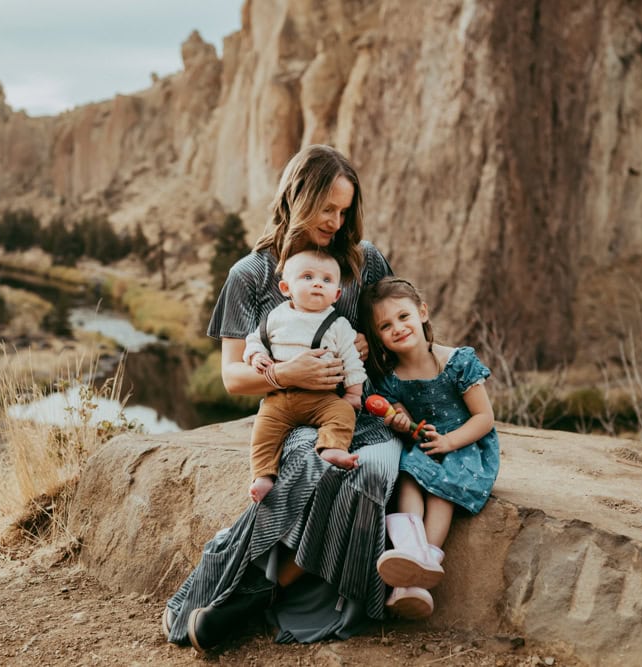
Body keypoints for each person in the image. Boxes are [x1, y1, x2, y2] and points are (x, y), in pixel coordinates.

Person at [162, 144, 401, 652]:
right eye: (327, 209)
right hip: (291, 417)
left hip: (361, 412)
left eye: (344, 210)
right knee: (303, 463)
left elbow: (401, 330)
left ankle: (253, 597)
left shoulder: (364, 261)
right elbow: (232, 376)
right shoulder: (249, 275)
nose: (336, 222)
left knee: (369, 470)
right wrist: (286, 372)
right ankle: (234, 589)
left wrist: (370, 341)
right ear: (296, 197)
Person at [358, 276, 500, 619]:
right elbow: (405, 422)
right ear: (377, 336)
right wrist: (401, 423)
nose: (398, 328)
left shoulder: (457, 362)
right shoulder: (391, 378)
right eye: (385, 325)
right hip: (424, 445)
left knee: (440, 490)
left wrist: (450, 441)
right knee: (408, 476)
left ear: (422, 312)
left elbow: (485, 418)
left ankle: (428, 558)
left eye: (403, 317)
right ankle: (409, 553)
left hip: (463, 445)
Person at [243, 248, 366, 502]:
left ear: (337, 295)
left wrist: (354, 392)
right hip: (280, 398)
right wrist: (256, 356)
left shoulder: (338, 325)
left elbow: (351, 360)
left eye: (327, 280)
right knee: (263, 431)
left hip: (322, 399)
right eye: (307, 277)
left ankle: (332, 447)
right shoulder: (276, 317)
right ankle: (263, 475)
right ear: (286, 288)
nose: (318, 284)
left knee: (342, 413)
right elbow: (255, 340)